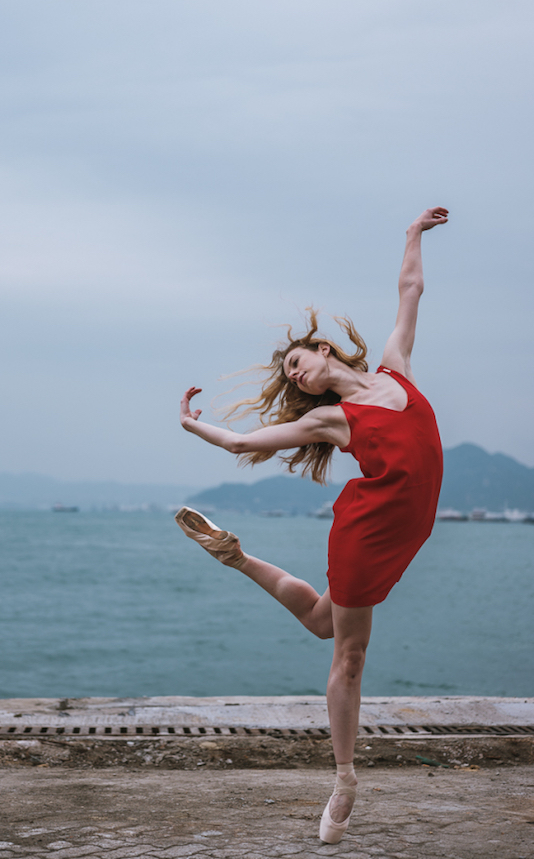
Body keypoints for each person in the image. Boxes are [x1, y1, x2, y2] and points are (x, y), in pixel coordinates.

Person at [175, 207, 448, 844]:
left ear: (322, 351)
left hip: (411, 525)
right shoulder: (330, 420)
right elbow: (245, 443)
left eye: (298, 362)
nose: (295, 375)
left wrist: (411, 237)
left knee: (325, 618)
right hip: (370, 526)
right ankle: (345, 779)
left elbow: (410, 291)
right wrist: (195, 425)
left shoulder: (395, 368)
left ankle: (237, 557)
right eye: (291, 376)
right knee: (347, 653)